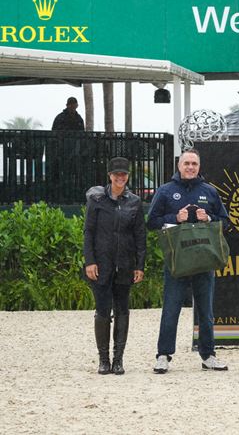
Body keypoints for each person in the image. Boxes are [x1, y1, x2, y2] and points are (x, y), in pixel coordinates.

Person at [147, 148, 230, 373]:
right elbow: (151, 221)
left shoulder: (210, 191)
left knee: (206, 311)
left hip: (204, 261)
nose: (190, 167)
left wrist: (209, 217)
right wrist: (175, 218)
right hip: (177, 262)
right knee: (171, 308)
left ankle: (208, 356)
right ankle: (163, 355)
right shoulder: (165, 191)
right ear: (179, 166)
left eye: (194, 163)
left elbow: (226, 221)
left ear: (199, 167)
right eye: (187, 163)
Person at [83, 157, 146, 375]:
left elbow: (140, 236)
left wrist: (140, 265)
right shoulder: (97, 200)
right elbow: (88, 232)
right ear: (109, 176)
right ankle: (103, 359)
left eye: (124, 174)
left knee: (122, 310)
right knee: (102, 310)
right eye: (116, 174)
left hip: (125, 265)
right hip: (101, 264)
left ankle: (118, 359)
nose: (120, 177)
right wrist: (89, 260)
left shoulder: (134, 202)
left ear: (128, 176)